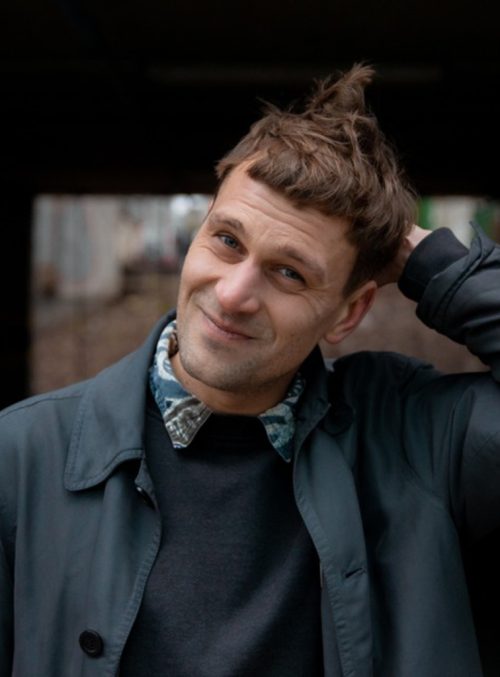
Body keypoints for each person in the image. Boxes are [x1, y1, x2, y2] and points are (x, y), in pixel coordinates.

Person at [1, 64, 499, 677]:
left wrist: (434, 263)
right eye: (227, 241)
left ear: (349, 313)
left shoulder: (414, 440)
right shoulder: (21, 456)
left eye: (290, 272)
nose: (233, 294)